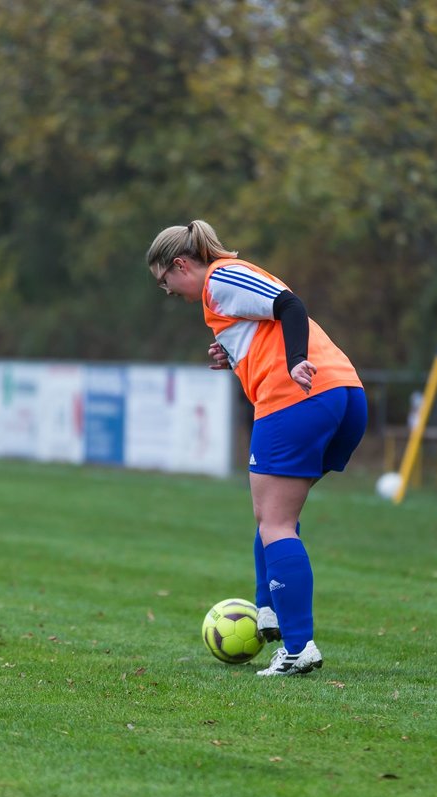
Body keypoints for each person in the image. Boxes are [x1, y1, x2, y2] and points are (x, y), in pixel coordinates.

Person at [145, 220, 365, 677]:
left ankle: (298, 647)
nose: (171, 295)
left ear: (182, 264)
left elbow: (290, 306)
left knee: (276, 522)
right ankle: (269, 611)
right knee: (272, 517)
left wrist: (295, 360)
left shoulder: (220, 278)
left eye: (167, 284)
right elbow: (266, 321)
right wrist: (236, 355)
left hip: (296, 397)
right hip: (341, 394)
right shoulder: (223, 290)